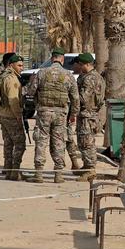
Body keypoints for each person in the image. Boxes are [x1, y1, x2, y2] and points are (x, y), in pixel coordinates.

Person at [27, 48, 78, 184]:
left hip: (44, 112)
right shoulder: (68, 75)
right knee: (59, 142)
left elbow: (31, 92)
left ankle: (39, 174)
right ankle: (58, 174)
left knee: (41, 141)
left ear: (51, 58)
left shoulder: (42, 73)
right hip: (61, 114)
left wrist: (31, 82)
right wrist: (73, 114)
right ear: (62, 59)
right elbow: (75, 98)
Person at [74, 53, 106, 180]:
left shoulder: (90, 79)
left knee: (87, 143)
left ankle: (91, 169)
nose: (78, 66)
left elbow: (83, 98)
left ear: (87, 64)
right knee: (83, 142)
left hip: (88, 115)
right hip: (88, 115)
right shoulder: (92, 76)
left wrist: (71, 94)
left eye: (80, 64)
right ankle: (87, 166)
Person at [0, 55, 26, 181]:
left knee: (8, 143)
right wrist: (18, 116)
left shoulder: (3, 76)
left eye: (22, 65)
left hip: (3, 114)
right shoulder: (12, 79)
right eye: (19, 65)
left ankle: (8, 169)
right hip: (11, 116)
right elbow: (13, 100)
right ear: (11, 65)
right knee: (20, 144)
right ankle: (15, 171)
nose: (21, 68)